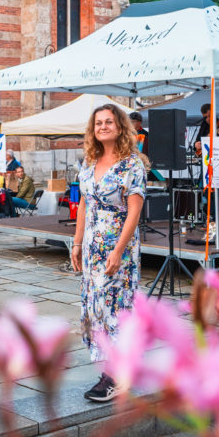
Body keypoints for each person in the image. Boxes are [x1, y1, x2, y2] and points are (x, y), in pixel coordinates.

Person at [72, 103, 148, 403]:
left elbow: (134, 212)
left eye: (108, 122)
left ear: (120, 127)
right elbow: (83, 208)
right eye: (98, 123)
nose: (103, 126)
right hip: (91, 249)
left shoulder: (132, 165)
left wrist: (118, 251)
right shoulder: (89, 164)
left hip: (119, 249)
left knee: (115, 309)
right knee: (94, 309)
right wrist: (76, 244)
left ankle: (115, 376)